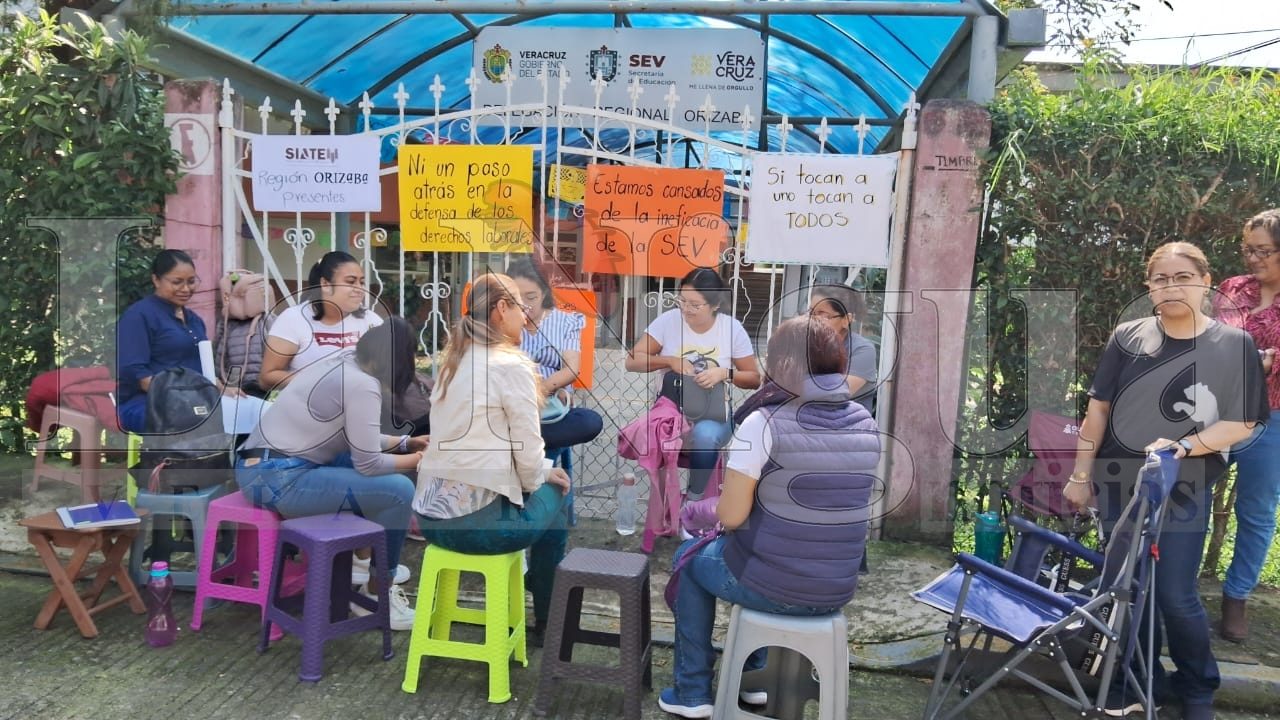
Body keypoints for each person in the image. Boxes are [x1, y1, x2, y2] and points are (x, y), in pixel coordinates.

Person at [1063, 242, 1267, 720]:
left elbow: (1242, 421)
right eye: (1161, 279)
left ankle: (1197, 689)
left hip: (1184, 485)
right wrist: (1080, 475)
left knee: (1175, 595)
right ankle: (1137, 681)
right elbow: (1098, 411)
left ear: (1205, 281)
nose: (1171, 287)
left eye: (1182, 277)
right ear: (1149, 287)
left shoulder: (1233, 345)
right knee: (1128, 589)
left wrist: (1184, 446)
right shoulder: (1127, 337)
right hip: (1119, 482)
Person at [658, 315, 879, 719]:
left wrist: (694, 512)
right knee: (755, 554)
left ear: (781, 364)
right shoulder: (865, 422)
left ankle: (692, 691)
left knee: (690, 561)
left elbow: (732, 515)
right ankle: (752, 681)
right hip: (837, 589)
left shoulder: (764, 422)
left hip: (777, 587)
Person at [413, 273, 573, 647]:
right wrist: (545, 475)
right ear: (502, 309)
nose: (526, 314)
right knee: (561, 491)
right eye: (520, 306)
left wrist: (541, 472)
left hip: (430, 519)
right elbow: (528, 459)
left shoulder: (453, 360)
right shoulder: (511, 365)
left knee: (548, 479)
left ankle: (540, 590)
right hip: (477, 526)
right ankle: (547, 616)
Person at [235, 317, 425, 630]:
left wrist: (405, 443)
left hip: (258, 466)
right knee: (398, 490)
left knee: (364, 469)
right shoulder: (363, 385)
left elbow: (354, 439)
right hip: (278, 478)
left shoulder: (341, 362)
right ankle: (378, 589)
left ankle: (361, 562)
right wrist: (419, 460)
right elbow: (368, 463)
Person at [625, 267, 761, 501]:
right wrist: (669, 361)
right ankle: (664, 504)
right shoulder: (669, 321)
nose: (686, 309)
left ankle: (693, 500)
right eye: (682, 301)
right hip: (670, 414)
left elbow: (753, 378)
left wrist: (724, 373)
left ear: (715, 305)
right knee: (656, 434)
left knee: (705, 436)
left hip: (713, 415)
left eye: (695, 305)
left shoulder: (731, 329)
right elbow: (632, 361)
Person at [1212, 209, 1280, 643]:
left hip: (1272, 418)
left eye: (1264, 251)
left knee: (1256, 511)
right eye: (1248, 249)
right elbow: (1210, 336)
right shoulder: (1232, 288)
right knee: (1186, 496)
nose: (1253, 258)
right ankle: (1172, 582)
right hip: (1216, 413)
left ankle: (1236, 597)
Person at [116, 249, 242, 433]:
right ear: (156, 280)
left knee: (245, 413)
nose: (186, 289)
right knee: (195, 420)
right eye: (177, 282)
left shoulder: (194, 320)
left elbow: (201, 369)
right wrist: (182, 398)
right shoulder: (139, 316)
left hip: (193, 399)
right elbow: (136, 373)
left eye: (191, 281)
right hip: (147, 402)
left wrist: (223, 388)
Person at [506, 257, 604, 451]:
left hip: (548, 405)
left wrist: (538, 392)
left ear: (544, 292)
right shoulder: (502, 320)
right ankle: (525, 441)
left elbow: (571, 369)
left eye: (531, 297)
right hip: (509, 404)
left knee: (590, 422)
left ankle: (522, 441)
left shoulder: (566, 322)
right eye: (516, 298)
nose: (524, 305)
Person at [258, 251, 382, 392]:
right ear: (325, 284)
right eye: (350, 282)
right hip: (306, 402)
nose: (359, 289)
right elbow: (267, 377)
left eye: (362, 282)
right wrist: (318, 383)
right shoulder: (293, 319)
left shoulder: (370, 320)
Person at [808, 284, 878, 408]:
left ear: (846, 319)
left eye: (823, 315)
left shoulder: (862, 350)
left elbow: (836, 395)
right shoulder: (806, 344)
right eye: (811, 313)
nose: (813, 320)